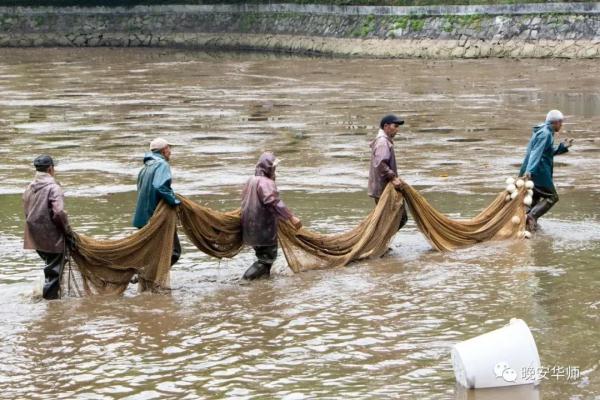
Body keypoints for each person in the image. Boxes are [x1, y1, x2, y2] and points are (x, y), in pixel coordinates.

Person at [241, 152, 301, 280]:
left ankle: (264, 285)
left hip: (250, 228)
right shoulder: (266, 182)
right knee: (266, 259)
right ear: (268, 168)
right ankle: (246, 280)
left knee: (263, 257)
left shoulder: (251, 181)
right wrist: (291, 217)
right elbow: (274, 202)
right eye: (273, 168)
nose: (275, 171)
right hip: (263, 229)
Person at [23, 155, 71, 300]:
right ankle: (51, 305)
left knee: (50, 267)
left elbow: (26, 211)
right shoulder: (53, 188)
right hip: (52, 238)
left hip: (35, 238)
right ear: (50, 169)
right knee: (54, 272)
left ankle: (48, 297)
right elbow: (59, 213)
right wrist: (67, 231)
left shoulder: (29, 187)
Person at [519, 110, 573, 231]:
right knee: (552, 197)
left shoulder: (545, 130)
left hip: (535, 171)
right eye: (561, 122)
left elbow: (547, 152)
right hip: (538, 173)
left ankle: (527, 225)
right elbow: (535, 152)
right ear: (556, 122)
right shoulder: (545, 133)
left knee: (534, 199)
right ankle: (532, 217)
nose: (561, 125)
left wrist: (562, 147)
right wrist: (530, 171)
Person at [132, 138, 182, 270]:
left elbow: (140, 190)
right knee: (174, 252)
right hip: (157, 218)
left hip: (143, 219)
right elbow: (160, 186)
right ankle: (144, 275)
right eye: (169, 149)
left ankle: (146, 281)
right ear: (164, 150)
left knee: (153, 252)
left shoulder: (145, 168)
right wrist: (175, 201)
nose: (170, 152)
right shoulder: (162, 165)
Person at [368, 114, 408, 230]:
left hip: (383, 188)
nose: (397, 129)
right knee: (399, 218)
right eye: (395, 126)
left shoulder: (384, 141)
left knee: (388, 220)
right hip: (383, 189)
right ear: (386, 126)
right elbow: (381, 163)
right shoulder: (382, 142)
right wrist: (393, 178)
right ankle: (379, 243)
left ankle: (381, 244)